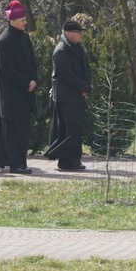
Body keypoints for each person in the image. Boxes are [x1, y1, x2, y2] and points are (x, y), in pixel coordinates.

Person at [0, 0, 38, 174]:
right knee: (13, 131)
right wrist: (26, 82)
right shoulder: (3, 41)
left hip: (26, 91)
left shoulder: (24, 37)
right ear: (12, 21)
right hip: (11, 94)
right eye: (22, 19)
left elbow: (32, 61)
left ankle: (19, 160)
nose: (25, 22)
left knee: (23, 130)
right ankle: (16, 164)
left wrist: (34, 79)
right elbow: (7, 70)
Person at [48, 20, 91, 171]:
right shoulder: (61, 50)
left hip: (76, 95)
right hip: (66, 97)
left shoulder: (78, 47)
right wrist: (84, 87)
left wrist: (86, 87)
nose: (81, 35)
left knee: (75, 129)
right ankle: (66, 159)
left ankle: (72, 160)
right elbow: (67, 76)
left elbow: (84, 68)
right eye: (77, 32)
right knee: (70, 130)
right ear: (67, 33)